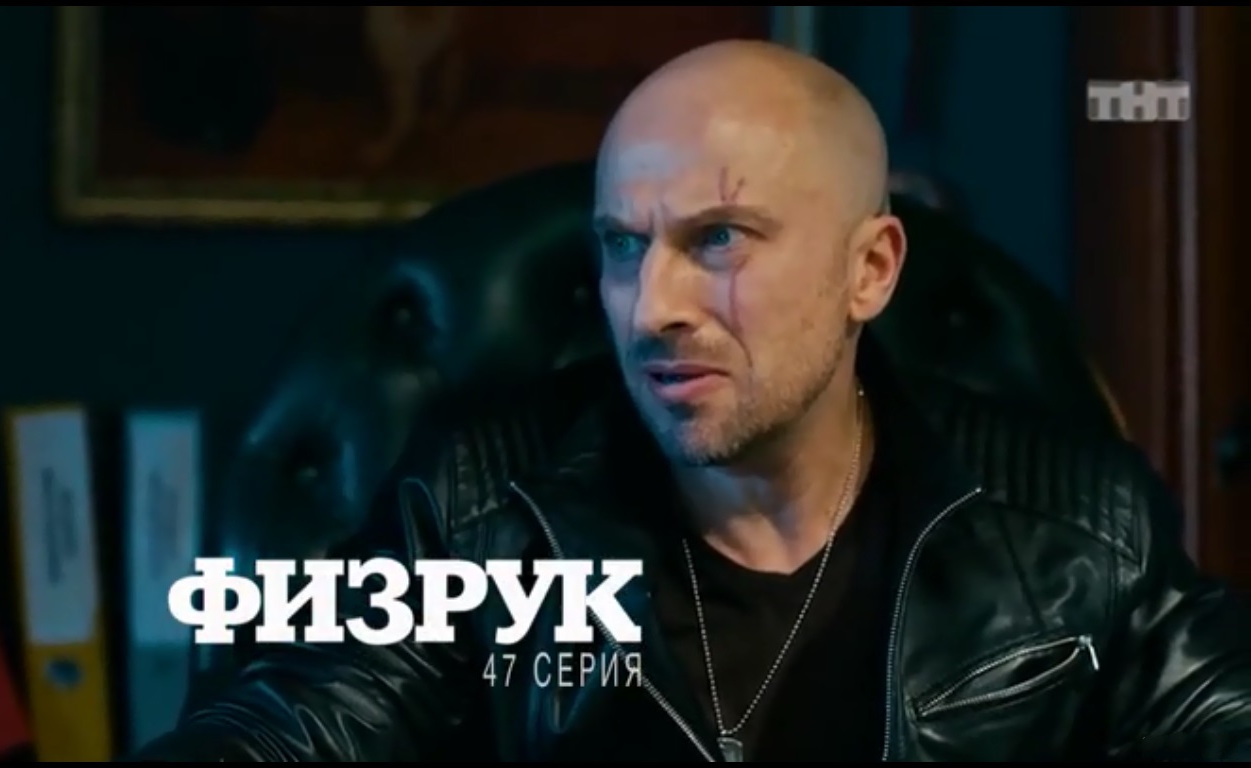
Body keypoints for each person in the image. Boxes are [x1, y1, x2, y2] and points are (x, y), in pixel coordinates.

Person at [131, 40, 1251, 761]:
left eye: (717, 239)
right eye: (623, 247)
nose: (649, 307)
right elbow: (303, 720)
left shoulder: (1074, 526)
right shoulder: (481, 504)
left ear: (870, 271)